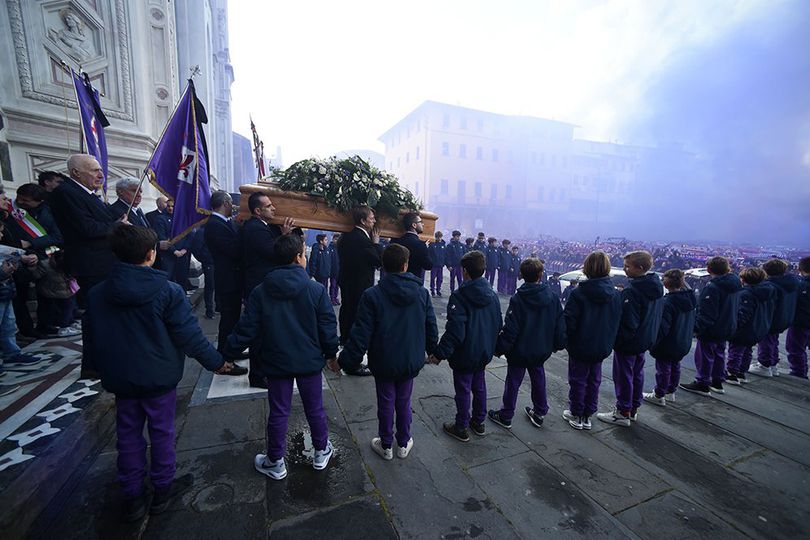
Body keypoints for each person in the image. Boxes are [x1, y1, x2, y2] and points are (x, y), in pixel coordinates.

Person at [83, 225, 232, 522]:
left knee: (127, 435)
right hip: (158, 375)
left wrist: (93, 369)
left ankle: (133, 494)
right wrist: (216, 362)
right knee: (162, 432)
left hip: (121, 377)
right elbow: (189, 335)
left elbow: (92, 335)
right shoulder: (167, 290)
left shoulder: (98, 292)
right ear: (151, 254)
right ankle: (163, 487)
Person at [223, 234, 339, 481]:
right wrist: (331, 355)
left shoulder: (261, 291)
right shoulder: (316, 290)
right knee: (315, 408)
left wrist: (226, 355)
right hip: (309, 361)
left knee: (279, 411)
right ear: (299, 258)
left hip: (276, 362)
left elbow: (247, 328)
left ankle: (275, 460)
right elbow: (328, 326)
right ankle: (321, 450)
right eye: (304, 254)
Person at [339, 244, 438, 460]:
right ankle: (403, 442)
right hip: (410, 358)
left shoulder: (372, 295)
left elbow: (360, 333)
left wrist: (346, 360)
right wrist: (434, 352)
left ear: (383, 266)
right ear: (406, 265)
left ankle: (386, 444)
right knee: (404, 400)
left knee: (385, 401)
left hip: (383, 358)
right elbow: (431, 324)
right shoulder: (421, 292)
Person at [428, 250, 502, 442]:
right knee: (479, 386)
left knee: (463, 389)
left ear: (465, 271)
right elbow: (497, 324)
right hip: (483, 351)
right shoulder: (493, 296)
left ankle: (461, 426)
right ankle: (479, 421)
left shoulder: (460, 296)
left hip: (464, 352)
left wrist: (439, 354)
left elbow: (455, 331)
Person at [488, 258, 565, 429]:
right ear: (541, 275)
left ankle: (506, 415)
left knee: (513, 382)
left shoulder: (518, 299)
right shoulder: (552, 298)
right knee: (538, 378)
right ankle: (540, 411)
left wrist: (499, 348)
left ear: (521, 275)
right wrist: (558, 344)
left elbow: (511, 329)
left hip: (519, 350)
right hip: (541, 348)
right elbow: (560, 325)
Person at [49, 154, 128, 306]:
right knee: (98, 310)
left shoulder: (88, 194)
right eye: (94, 171)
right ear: (76, 172)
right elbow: (87, 228)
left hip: (105, 262)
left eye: (101, 171)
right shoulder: (66, 192)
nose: (101, 175)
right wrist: (118, 225)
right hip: (91, 265)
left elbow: (101, 219)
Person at [597, 251, 664, 427]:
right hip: (644, 340)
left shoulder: (633, 292)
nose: (625, 270)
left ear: (639, 268)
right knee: (637, 374)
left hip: (629, 342)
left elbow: (628, 322)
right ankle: (633, 408)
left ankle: (622, 412)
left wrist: (617, 341)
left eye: (628, 266)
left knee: (623, 376)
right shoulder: (655, 288)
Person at [562, 251, 622, 430]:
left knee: (578, 379)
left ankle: (576, 412)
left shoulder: (578, 293)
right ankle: (588, 414)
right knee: (594, 379)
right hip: (602, 344)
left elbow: (569, 322)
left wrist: (565, 340)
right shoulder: (616, 294)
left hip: (580, 344)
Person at [5, 183, 63, 337]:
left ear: (39, 202)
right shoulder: (8, 210)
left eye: (26, 200)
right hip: (18, 259)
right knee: (20, 297)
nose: (21, 202)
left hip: (42, 257)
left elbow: (57, 236)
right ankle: (26, 329)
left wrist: (32, 243)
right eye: (19, 198)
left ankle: (45, 324)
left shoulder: (46, 212)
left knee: (46, 295)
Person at [680, 256, 741, 396]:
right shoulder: (736, 284)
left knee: (705, 356)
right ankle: (717, 381)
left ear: (709, 270)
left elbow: (707, 313)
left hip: (712, 328)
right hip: (728, 325)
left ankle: (702, 382)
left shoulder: (713, 287)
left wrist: (696, 328)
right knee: (720, 353)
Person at [203, 191, 248, 376]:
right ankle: (225, 359)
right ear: (226, 203)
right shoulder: (214, 225)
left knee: (234, 318)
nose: (234, 207)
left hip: (232, 278)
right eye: (231, 204)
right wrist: (240, 228)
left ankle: (233, 350)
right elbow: (232, 250)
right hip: (227, 280)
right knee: (229, 320)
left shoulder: (222, 222)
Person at [337, 207, 383, 376]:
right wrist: (377, 244)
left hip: (348, 283)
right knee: (359, 322)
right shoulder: (363, 240)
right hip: (360, 286)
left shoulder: (346, 237)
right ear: (363, 221)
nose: (375, 221)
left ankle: (345, 345)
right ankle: (352, 362)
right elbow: (379, 261)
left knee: (347, 315)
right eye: (372, 218)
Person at [749, 259, 800, 377]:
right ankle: (772, 364)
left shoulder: (772, 286)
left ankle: (764, 365)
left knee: (766, 341)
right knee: (773, 341)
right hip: (784, 317)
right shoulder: (791, 283)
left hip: (771, 318)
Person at [725, 267, 775, 384]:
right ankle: (742, 372)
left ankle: (732, 374)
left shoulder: (746, 294)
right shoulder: (767, 292)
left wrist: (734, 326)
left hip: (745, 329)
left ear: (744, 280)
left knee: (736, 350)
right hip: (758, 328)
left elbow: (743, 314)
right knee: (747, 350)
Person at [242, 192, 294, 298]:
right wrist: (284, 235)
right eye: (269, 206)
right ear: (258, 211)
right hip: (259, 285)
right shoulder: (256, 229)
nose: (274, 208)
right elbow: (275, 253)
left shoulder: (260, 226)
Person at [391, 212, 432, 284]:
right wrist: (426, 249)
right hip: (412, 284)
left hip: (395, 282)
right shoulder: (420, 245)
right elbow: (428, 266)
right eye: (421, 222)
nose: (423, 224)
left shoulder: (395, 241)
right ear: (414, 225)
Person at [786, 256, 810, 378]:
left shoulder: (801, 286)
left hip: (801, 322)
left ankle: (798, 373)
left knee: (796, 348)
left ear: (800, 269)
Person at [188, 227, 215, 319]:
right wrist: (204, 258)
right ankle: (209, 311)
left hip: (216, 262)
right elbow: (196, 248)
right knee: (210, 286)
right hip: (209, 262)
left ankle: (217, 307)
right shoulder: (202, 231)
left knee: (217, 285)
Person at [428, 231, 446, 297]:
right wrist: (431, 262)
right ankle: (432, 291)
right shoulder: (432, 244)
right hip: (434, 265)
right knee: (433, 278)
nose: (439, 238)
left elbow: (445, 255)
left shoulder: (443, 245)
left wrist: (444, 262)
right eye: (438, 237)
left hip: (440, 265)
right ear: (435, 237)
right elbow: (429, 254)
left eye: (440, 237)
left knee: (440, 278)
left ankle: (438, 290)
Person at [328, 233, 341, 305]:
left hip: (339, 271)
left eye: (338, 239)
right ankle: (332, 298)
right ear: (333, 239)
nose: (337, 240)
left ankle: (335, 297)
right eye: (335, 239)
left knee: (337, 286)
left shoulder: (340, 248)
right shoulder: (330, 248)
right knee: (333, 285)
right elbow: (329, 261)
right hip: (333, 271)